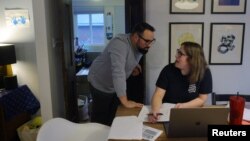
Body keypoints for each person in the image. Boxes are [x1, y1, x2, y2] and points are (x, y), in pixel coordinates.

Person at [88, 22, 156, 126]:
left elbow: (128, 57)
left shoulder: (140, 46)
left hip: (114, 86)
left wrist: (133, 65)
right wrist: (125, 102)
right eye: (147, 41)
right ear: (136, 37)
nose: (149, 45)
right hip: (100, 83)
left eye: (152, 41)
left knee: (113, 118)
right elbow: (118, 72)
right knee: (99, 121)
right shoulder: (120, 44)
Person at [148, 41, 212, 123]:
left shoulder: (204, 72)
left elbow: (202, 99)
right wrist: (156, 110)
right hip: (167, 113)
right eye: (178, 51)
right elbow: (158, 94)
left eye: (180, 54)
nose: (176, 56)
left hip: (192, 113)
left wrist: (183, 106)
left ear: (192, 59)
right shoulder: (168, 70)